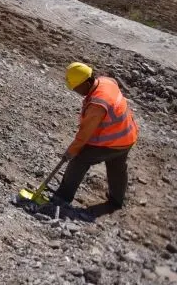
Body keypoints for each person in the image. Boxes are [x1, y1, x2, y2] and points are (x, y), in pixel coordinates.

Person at [53, 62, 138, 210]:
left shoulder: (97, 104)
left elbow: (85, 134)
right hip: (128, 135)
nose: (75, 91)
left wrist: (71, 152)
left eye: (76, 88)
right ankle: (117, 200)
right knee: (117, 167)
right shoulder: (106, 81)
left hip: (113, 141)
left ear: (87, 83)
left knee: (79, 159)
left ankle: (62, 197)